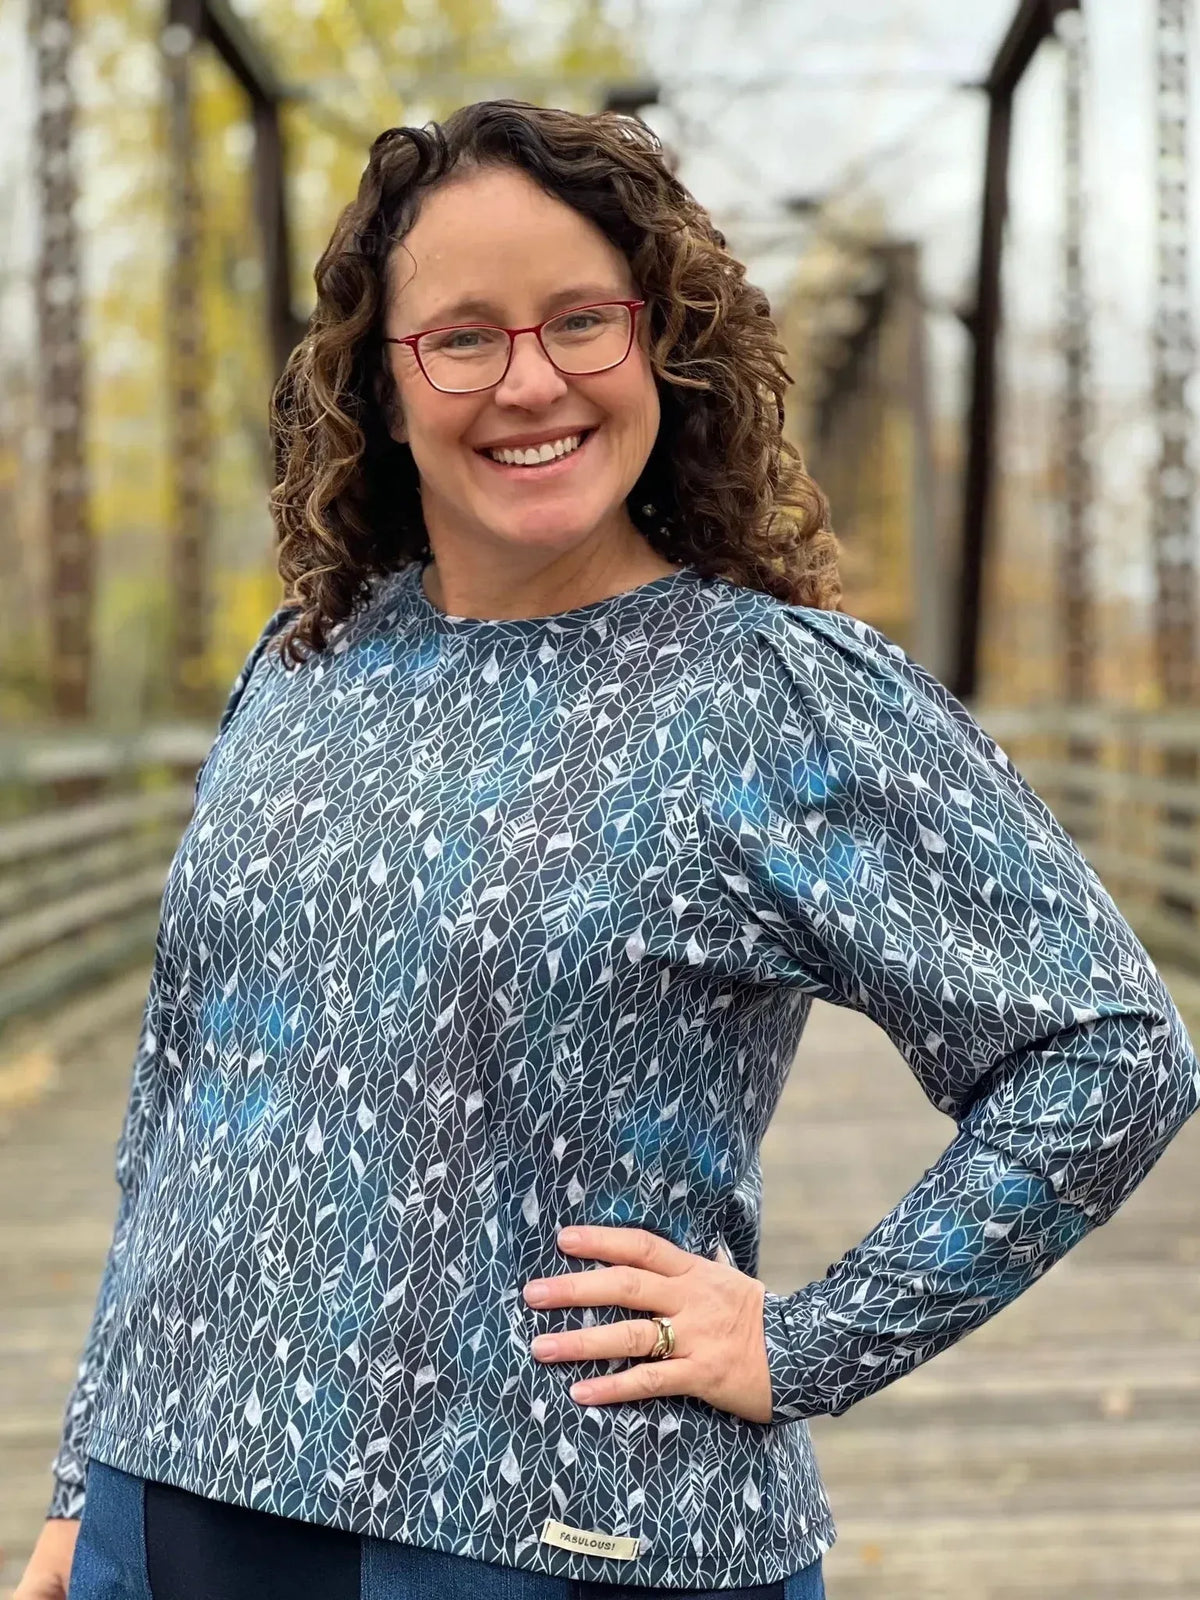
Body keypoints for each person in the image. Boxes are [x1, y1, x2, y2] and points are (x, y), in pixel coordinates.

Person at [19, 99, 1199, 1600]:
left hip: (557, 1536)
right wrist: (83, 1480)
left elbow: (1107, 1050)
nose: (532, 381)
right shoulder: (309, 661)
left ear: (663, 346)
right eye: (462, 337)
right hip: (173, 1503)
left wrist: (807, 1341)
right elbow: (178, 1103)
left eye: (582, 319)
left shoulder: (770, 694)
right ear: (383, 388)